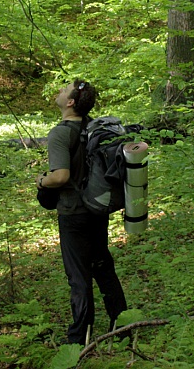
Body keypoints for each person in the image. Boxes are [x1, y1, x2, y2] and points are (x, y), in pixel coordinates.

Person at [36, 79, 127, 345]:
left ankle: (78, 339)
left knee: (78, 276)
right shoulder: (94, 127)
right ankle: (121, 326)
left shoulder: (60, 133)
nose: (59, 91)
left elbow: (61, 176)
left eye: (64, 90)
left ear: (71, 102)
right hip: (97, 209)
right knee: (102, 266)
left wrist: (42, 181)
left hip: (73, 213)